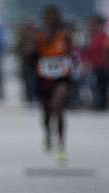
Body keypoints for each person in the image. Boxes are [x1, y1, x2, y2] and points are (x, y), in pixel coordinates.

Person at [35, 5, 74, 163]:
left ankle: (62, 146)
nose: (50, 22)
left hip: (61, 78)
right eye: (47, 19)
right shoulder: (39, 36)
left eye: (53, 19)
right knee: (46, 112)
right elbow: (30, 54)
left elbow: (71, 53)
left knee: (58, 107)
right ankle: (47, 133)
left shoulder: (64, 35)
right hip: (44, 78)